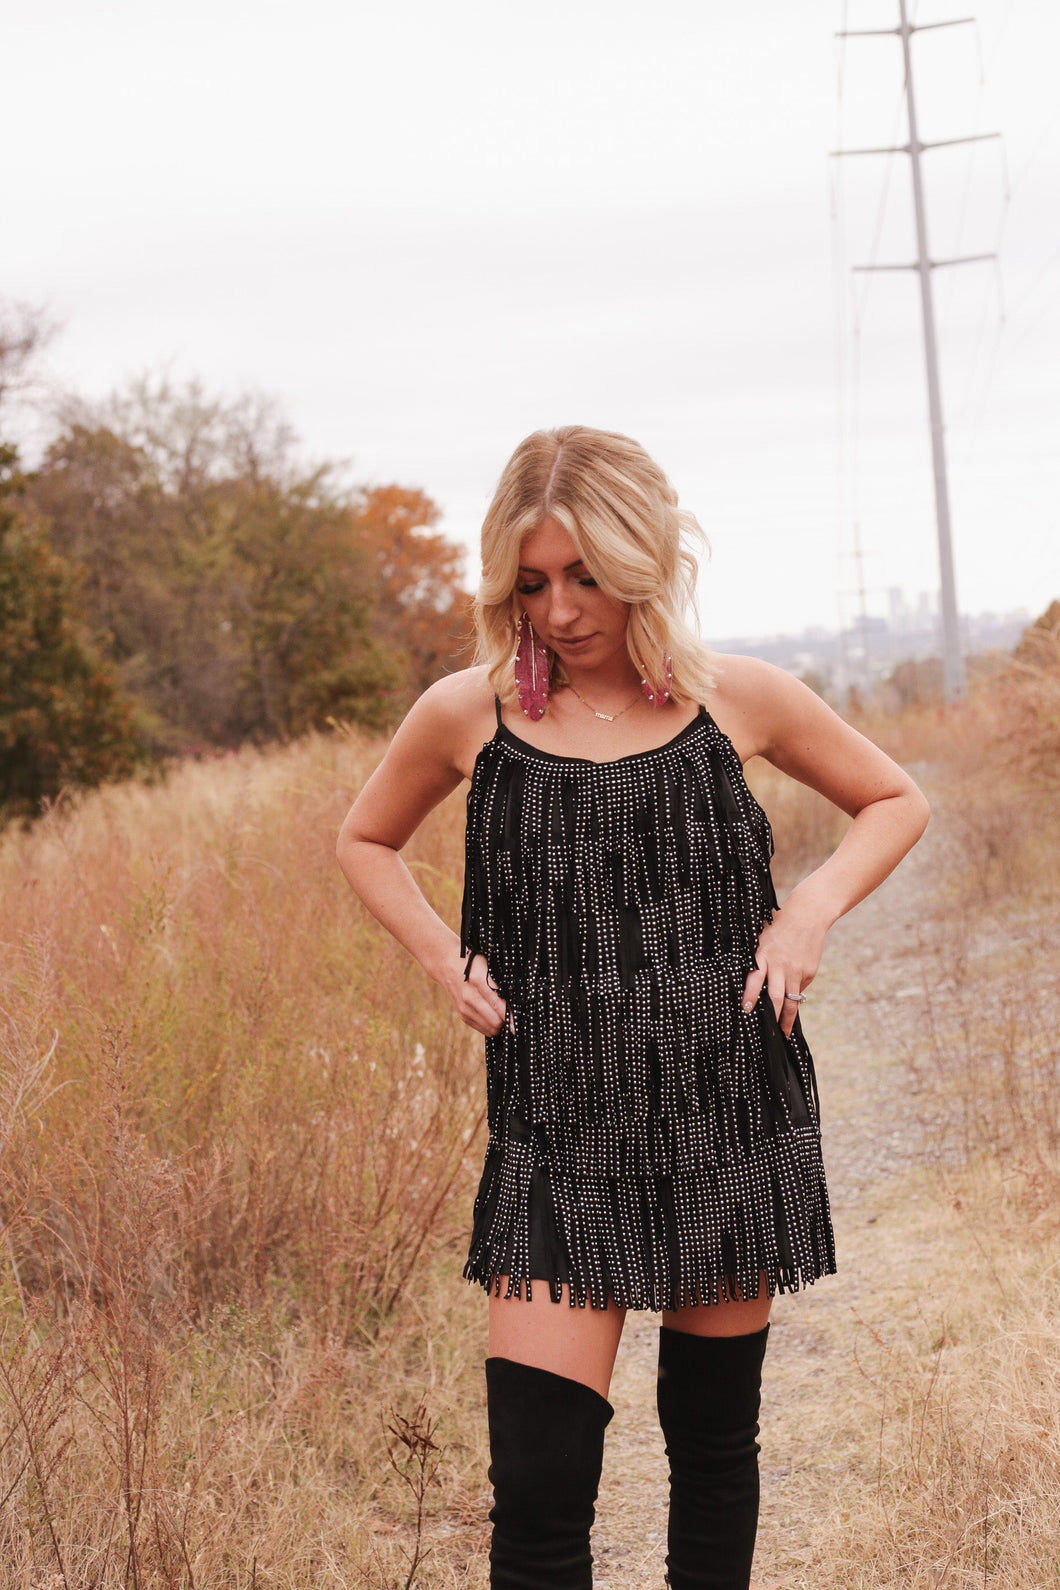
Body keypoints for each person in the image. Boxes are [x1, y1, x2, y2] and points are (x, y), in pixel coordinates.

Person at [336, 426, 929, 1590]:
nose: (559, 611)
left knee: (713, 1461)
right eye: (532, 583)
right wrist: (439, 956)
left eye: (587, 576)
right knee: (540, 1500)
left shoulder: (738, 701)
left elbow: (896, 799)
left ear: (645, 558)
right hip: (557, 1142)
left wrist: (805, 910)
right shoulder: (470, 714)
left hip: (727, 1120)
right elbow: (363, 837)